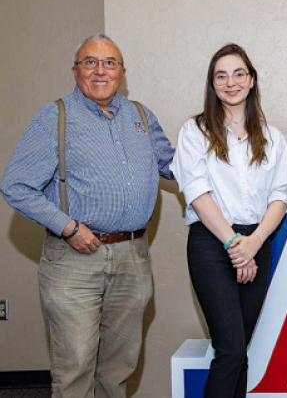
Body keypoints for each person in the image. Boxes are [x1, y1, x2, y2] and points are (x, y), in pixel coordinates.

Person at [1, 34, 175, 398]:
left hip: (133, 257)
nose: (100, 71)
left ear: (122, 72)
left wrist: (229, 148)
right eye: (90, 62)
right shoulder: (56, 116)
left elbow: (175, 166)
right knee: (75, 368)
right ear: (75, 70)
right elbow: (16, 185)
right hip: (75, 259)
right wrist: (68, 227)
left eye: (109, 63)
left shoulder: (141, 116)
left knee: (118, 369)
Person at [171, 43, 287, 398]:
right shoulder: (194, 131)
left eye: (238, 73)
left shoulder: (273, 137)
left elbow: (281, 194)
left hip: (257, 244)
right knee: (229, 350)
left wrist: (253, 244)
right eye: (221, 76)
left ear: (252, 80)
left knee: (239, 353)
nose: (231, 82)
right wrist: (233, 245)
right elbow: (196, 192)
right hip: (211, 244)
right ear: (212, 85)